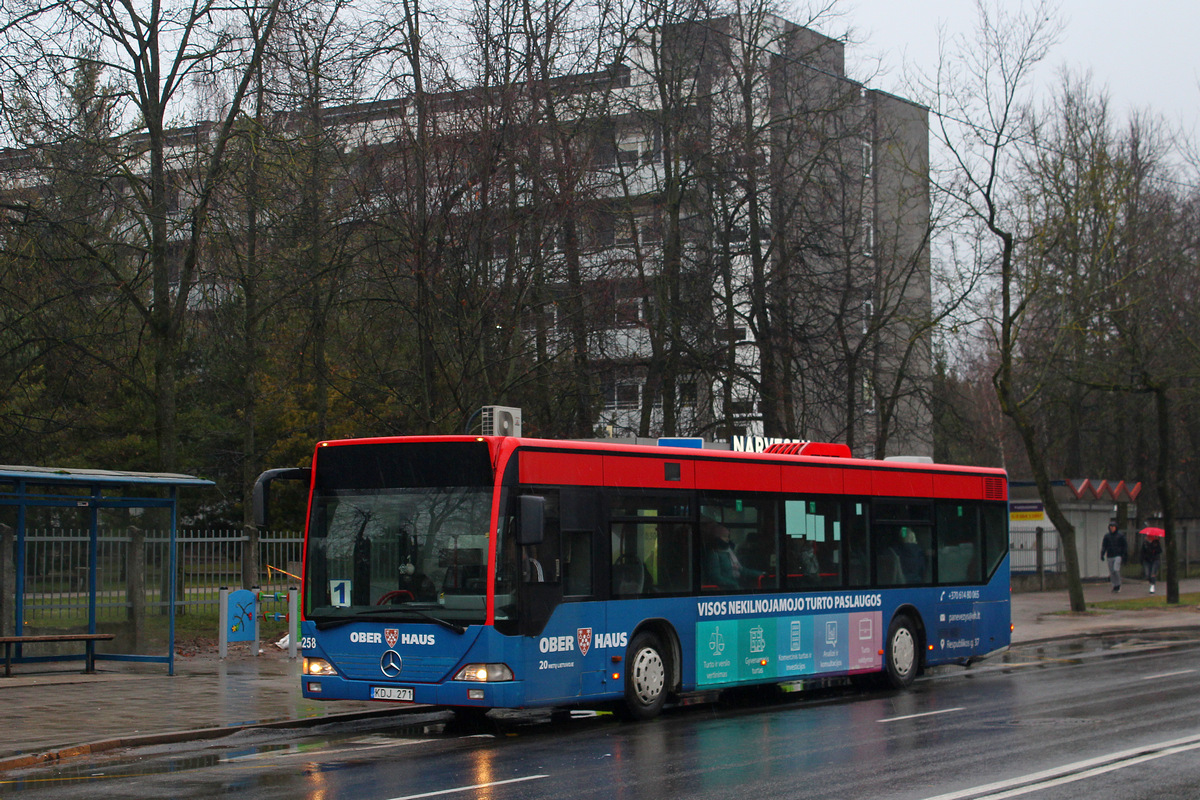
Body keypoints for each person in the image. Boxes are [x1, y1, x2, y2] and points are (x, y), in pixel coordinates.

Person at [1100, 521, 1128, 593]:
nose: (1112, 528)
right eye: (1111, 527)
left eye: (1113, 527)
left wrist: (1124, 555)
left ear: (1116, 527)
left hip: (1118, 555)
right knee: (1112, 571)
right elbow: (1104, 546)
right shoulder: (1107, 536)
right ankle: (1114, 585)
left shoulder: (1120, 536)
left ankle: (1118, 584)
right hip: (1110, 555)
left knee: (1116, 569)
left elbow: (1124, 546)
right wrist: (1102, 554)